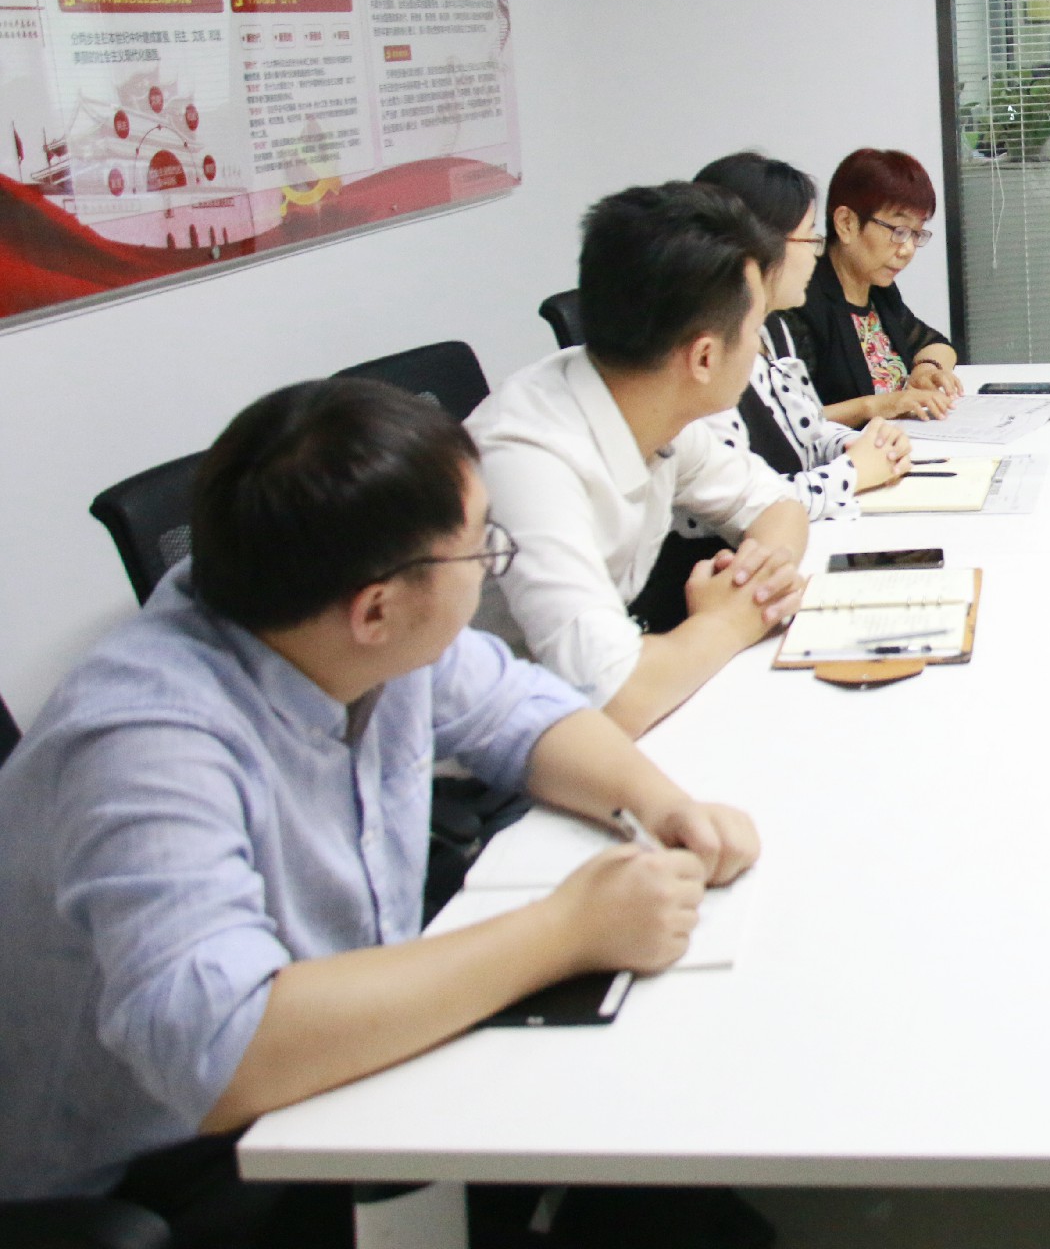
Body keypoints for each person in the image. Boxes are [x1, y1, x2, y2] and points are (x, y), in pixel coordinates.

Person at [0, 379, 758, 1236]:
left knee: (646, 1117)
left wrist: (660, 805)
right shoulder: (146, 746)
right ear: (377, 609)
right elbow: (223, 1052)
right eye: (480, 550)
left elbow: (518, 712)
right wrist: (567, 931)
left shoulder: (323, 613)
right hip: (164, 1164)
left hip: (326, 1029)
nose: (491, 563)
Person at [470, 183, 811, 736]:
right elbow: (615, 696)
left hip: (575, 726)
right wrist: (730, 621)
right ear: (704, 357)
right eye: (755, 330)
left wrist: (758, 578)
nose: (757, 347)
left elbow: (777, 505)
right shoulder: (528, 460)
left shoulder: (649, 402)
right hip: (484, 760)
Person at [691, 150, 913, 513]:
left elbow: (808, 430)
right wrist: (854, 472)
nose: (815, 253)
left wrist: (861, 446)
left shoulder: (772, 330)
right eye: (809, 237)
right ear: (758, 249)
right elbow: (744, 504)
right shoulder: (706, 358)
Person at [790, 147, 963, 425]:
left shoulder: (879, 292)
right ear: (846, 223)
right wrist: (877, 406)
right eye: (899, 231)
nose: (908, 250)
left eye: (916, 234)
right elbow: (788, 421)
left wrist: (926, 369)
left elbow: (936, 344)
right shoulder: (801, 301)